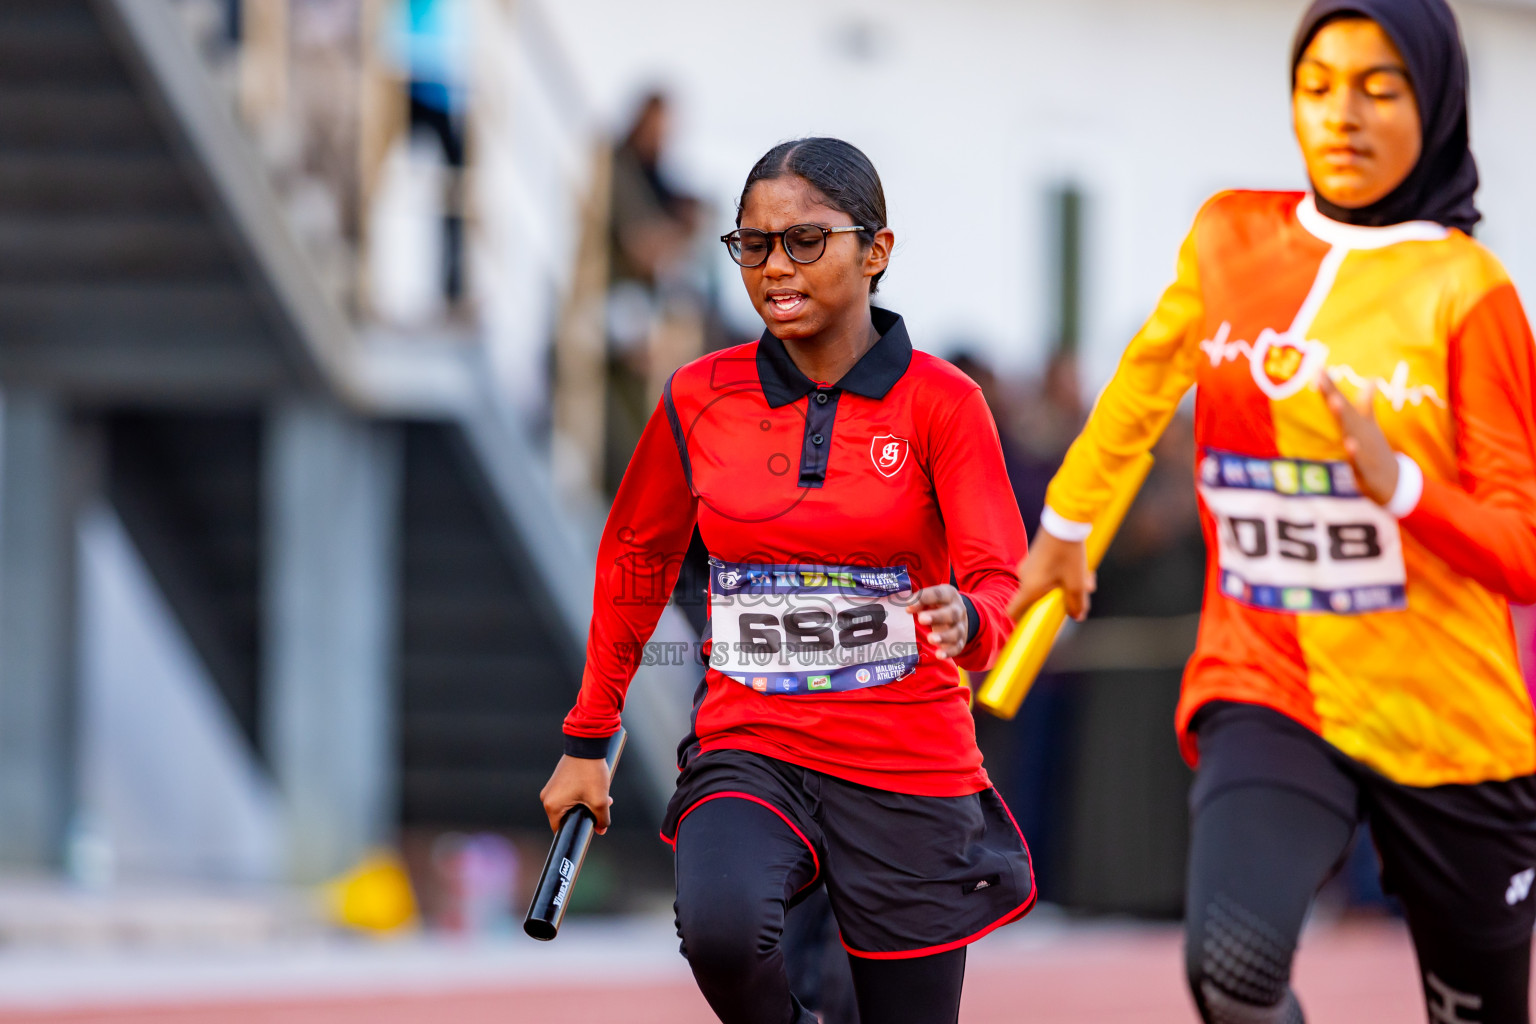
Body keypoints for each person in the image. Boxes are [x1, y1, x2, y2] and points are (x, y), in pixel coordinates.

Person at [1010, 2, 1536, 1021]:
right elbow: (1139, 392)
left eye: (1379, 89)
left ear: (1436, 104)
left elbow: (1523, 549)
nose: (1342, 114)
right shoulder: (1230, 235)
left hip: (1446, 720)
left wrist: (1401, 487)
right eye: (1317, 84)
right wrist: (1065, 535)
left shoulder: (1469, 293)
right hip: (1269, 678)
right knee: (1233, 973)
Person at [541, 137, 1034, 1024]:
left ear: (876, 251)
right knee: (723, 931)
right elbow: (635, 563)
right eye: (753, 244)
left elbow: (1000, 574)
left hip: (908, 768)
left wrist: (972, 618)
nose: (774, 268)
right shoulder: (700, 395)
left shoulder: (944, 403)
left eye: (805, 241)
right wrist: (588, 739)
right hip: (752, 745)